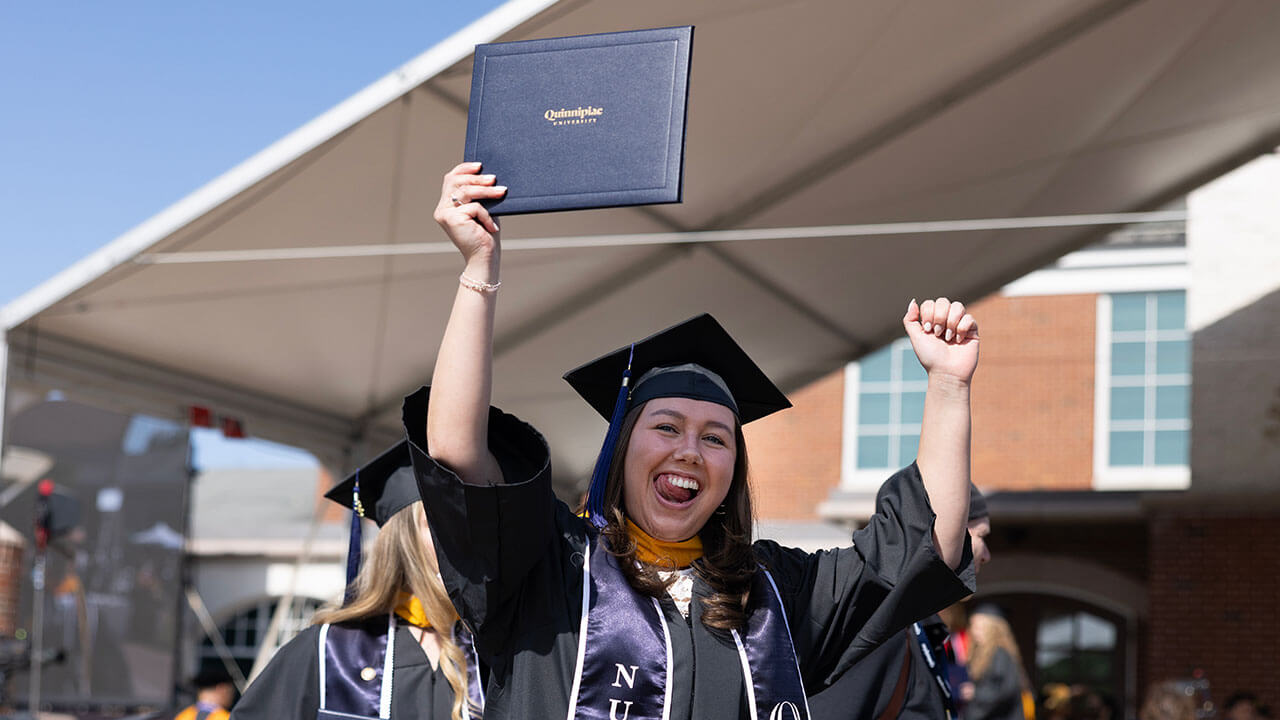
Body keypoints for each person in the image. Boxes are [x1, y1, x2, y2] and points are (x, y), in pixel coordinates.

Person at [407, 163, 980, 719]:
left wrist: (949, 384)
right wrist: (478, 268)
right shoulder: (549, 567)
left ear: (733, 468)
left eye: (715, 437)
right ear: (622, 447)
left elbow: (926, 542)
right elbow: (457, 455)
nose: (689, 450)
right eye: (666, 427)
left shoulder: (774, 596)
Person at [230, 441, 484, 720]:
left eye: (464, 522)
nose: (459, 537)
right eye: (438, 522)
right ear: (403, 540)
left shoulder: (488, 652)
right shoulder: (331, 652)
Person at [808, 484, 993, 720]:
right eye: (981, 536)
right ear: (947, 532)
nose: (987, 555)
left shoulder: (920, 628)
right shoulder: (881, 631)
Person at [963, 605, 1027, 720]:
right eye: (973, 626)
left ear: (993, 629)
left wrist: (976, 694)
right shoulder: (981, 654)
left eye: (980, 627)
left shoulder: (1000, 654)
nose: (974, 631)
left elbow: (1006, 689)